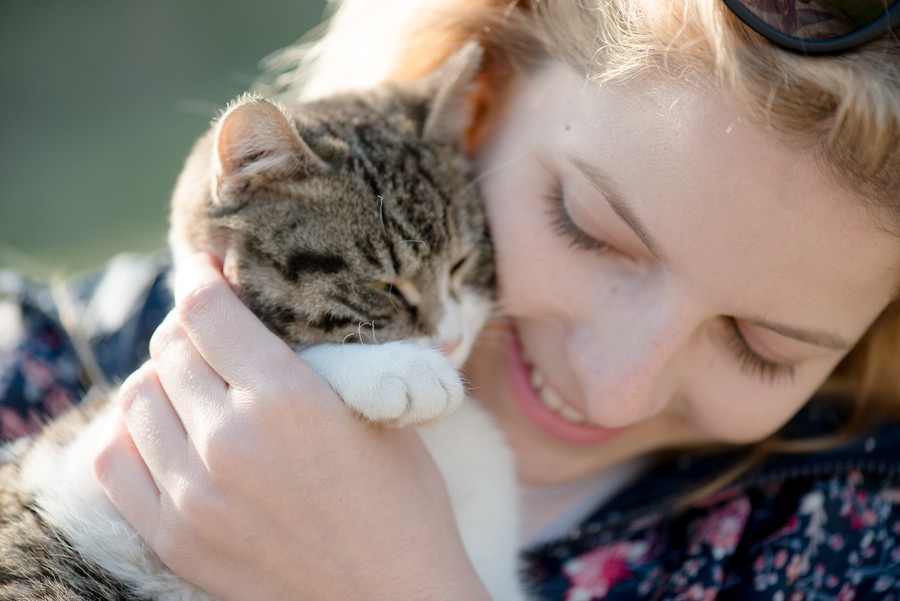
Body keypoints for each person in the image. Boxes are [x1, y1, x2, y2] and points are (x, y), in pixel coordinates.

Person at [2, 0, 900, 598]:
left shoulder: (858, 546)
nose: (613, 388)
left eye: (761, 343)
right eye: (588, 227)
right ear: (480, 100)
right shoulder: (49, 356)